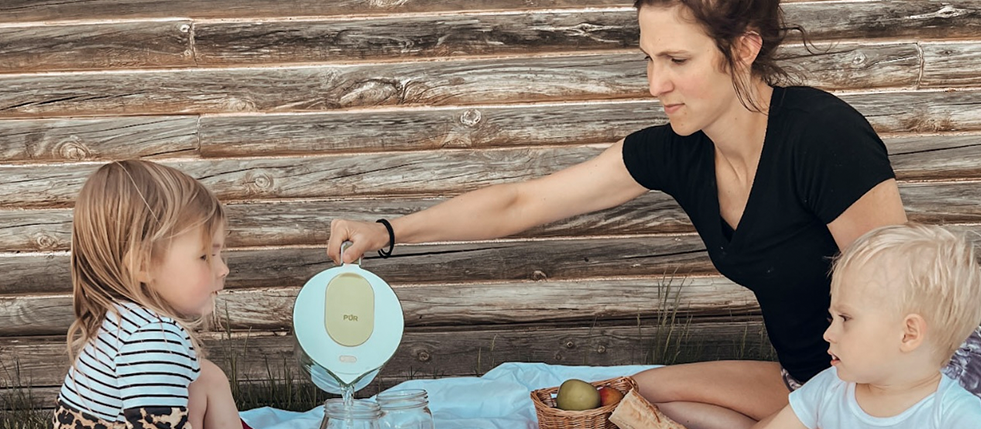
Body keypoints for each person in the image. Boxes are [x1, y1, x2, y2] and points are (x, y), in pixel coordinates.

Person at [326, 0, 981, 428]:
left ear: (743, 49)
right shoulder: (678, 153)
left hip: (900, 383)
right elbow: (524, 201)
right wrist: (387, 231)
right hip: (809, 375)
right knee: (625, 397)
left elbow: (901, 310)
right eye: (647, 58)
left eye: (676, 60)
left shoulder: (820, 140)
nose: (653, 83)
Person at [54, 160, 241, 429]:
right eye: (205, 256)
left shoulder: (122, 318)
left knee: (206, 376)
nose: (223, 269)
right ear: (143, 265)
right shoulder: (154, 337)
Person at [755, 223, 981, 428]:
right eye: (831, 319)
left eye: (845, 318)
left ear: (908, 334)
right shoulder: (827, 389)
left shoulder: (956, 417)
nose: (828, 334)